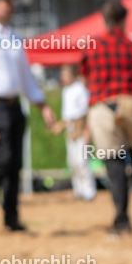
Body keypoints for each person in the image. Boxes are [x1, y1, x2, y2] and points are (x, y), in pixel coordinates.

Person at [0, 0, 57, 233]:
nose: (12, 6)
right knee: (0, 160)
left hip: (14, 105)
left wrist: (42, 105)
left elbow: (25, 77)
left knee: (15, 163)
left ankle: (11, 216)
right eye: (7, 1)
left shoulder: (14, 37)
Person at [82, 0, 132, 238]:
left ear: (104, 19)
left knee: (114, 167)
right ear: (124, 19)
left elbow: (85, 79)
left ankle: (122, 224)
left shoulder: (91, 47)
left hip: (104, 106)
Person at [51, 65, 96, 201]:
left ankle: (89, 191)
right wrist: (60, 125)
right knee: (73, 162)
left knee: (82, 162)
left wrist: (87, 131)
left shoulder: (80, 89)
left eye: (65, 74)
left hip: (80, 130)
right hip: (70, 131)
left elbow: (86, 112)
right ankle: (79, 190)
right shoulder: (66, 91)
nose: (62, 77)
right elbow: (68, 115)